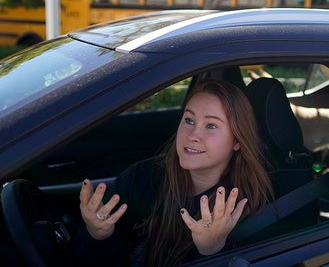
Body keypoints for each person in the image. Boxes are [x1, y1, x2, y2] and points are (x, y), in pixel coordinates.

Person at [71, 79, 274, 266]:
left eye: (211, 125)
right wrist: (97, 235)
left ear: (237, 141)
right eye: (189, 120)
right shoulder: (143, 177)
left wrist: (212, 250)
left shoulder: (250, 206)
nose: (193, 134)